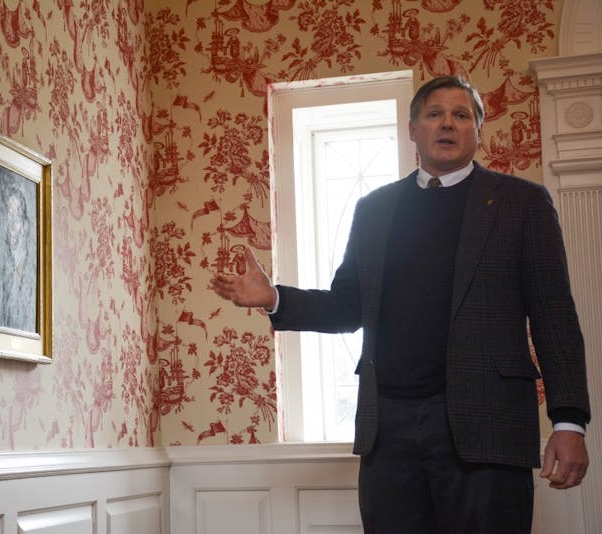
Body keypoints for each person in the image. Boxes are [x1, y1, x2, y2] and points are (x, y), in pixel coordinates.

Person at [211, 75, 590, 533]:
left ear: (478, 130)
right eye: (434, 114)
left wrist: (569, 421)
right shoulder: (375, 209)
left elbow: (554, 316)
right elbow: (347, 306)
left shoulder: (522, 202)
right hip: (388, 427)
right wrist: (275, 298)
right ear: (413, 128)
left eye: (460, 115)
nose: (446, 124)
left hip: (486, 424)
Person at [0, 177, 37, 333]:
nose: (12, 223)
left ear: (25, 225)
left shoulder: (33, 270)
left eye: (17, 215)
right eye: (9, 214)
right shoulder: (0, 268)